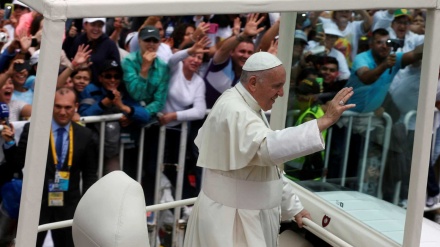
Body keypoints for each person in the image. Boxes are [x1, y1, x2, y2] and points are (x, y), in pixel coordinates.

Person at [183, 52, 355, 247]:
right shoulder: (234, 109)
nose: (281, 93)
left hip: (244, 215)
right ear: (254, 82)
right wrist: (323, 122)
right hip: (231, 223)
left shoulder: (248, 105)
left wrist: (293, 207)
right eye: (276, 86)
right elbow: (267, 149)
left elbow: (268, 171)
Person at [6, 87, 98, 246]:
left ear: (75, 106)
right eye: (58, 106)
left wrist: (86, 208)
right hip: (37, 206)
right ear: (51, 105)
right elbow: (16, 164)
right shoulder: (34, 130)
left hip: (69, 207)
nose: (63, 112)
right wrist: (9, 143)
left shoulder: (85, 136)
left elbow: (90, 175)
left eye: (68, 107)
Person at [203, 13, 265, 109]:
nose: (245, 56)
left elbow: (264, 45)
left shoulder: (250, 74)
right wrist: (244, 34)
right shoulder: (221, 63)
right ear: (232, 52)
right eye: (242, 51)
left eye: (249, 53)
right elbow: (223, 49)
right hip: (202, 120)